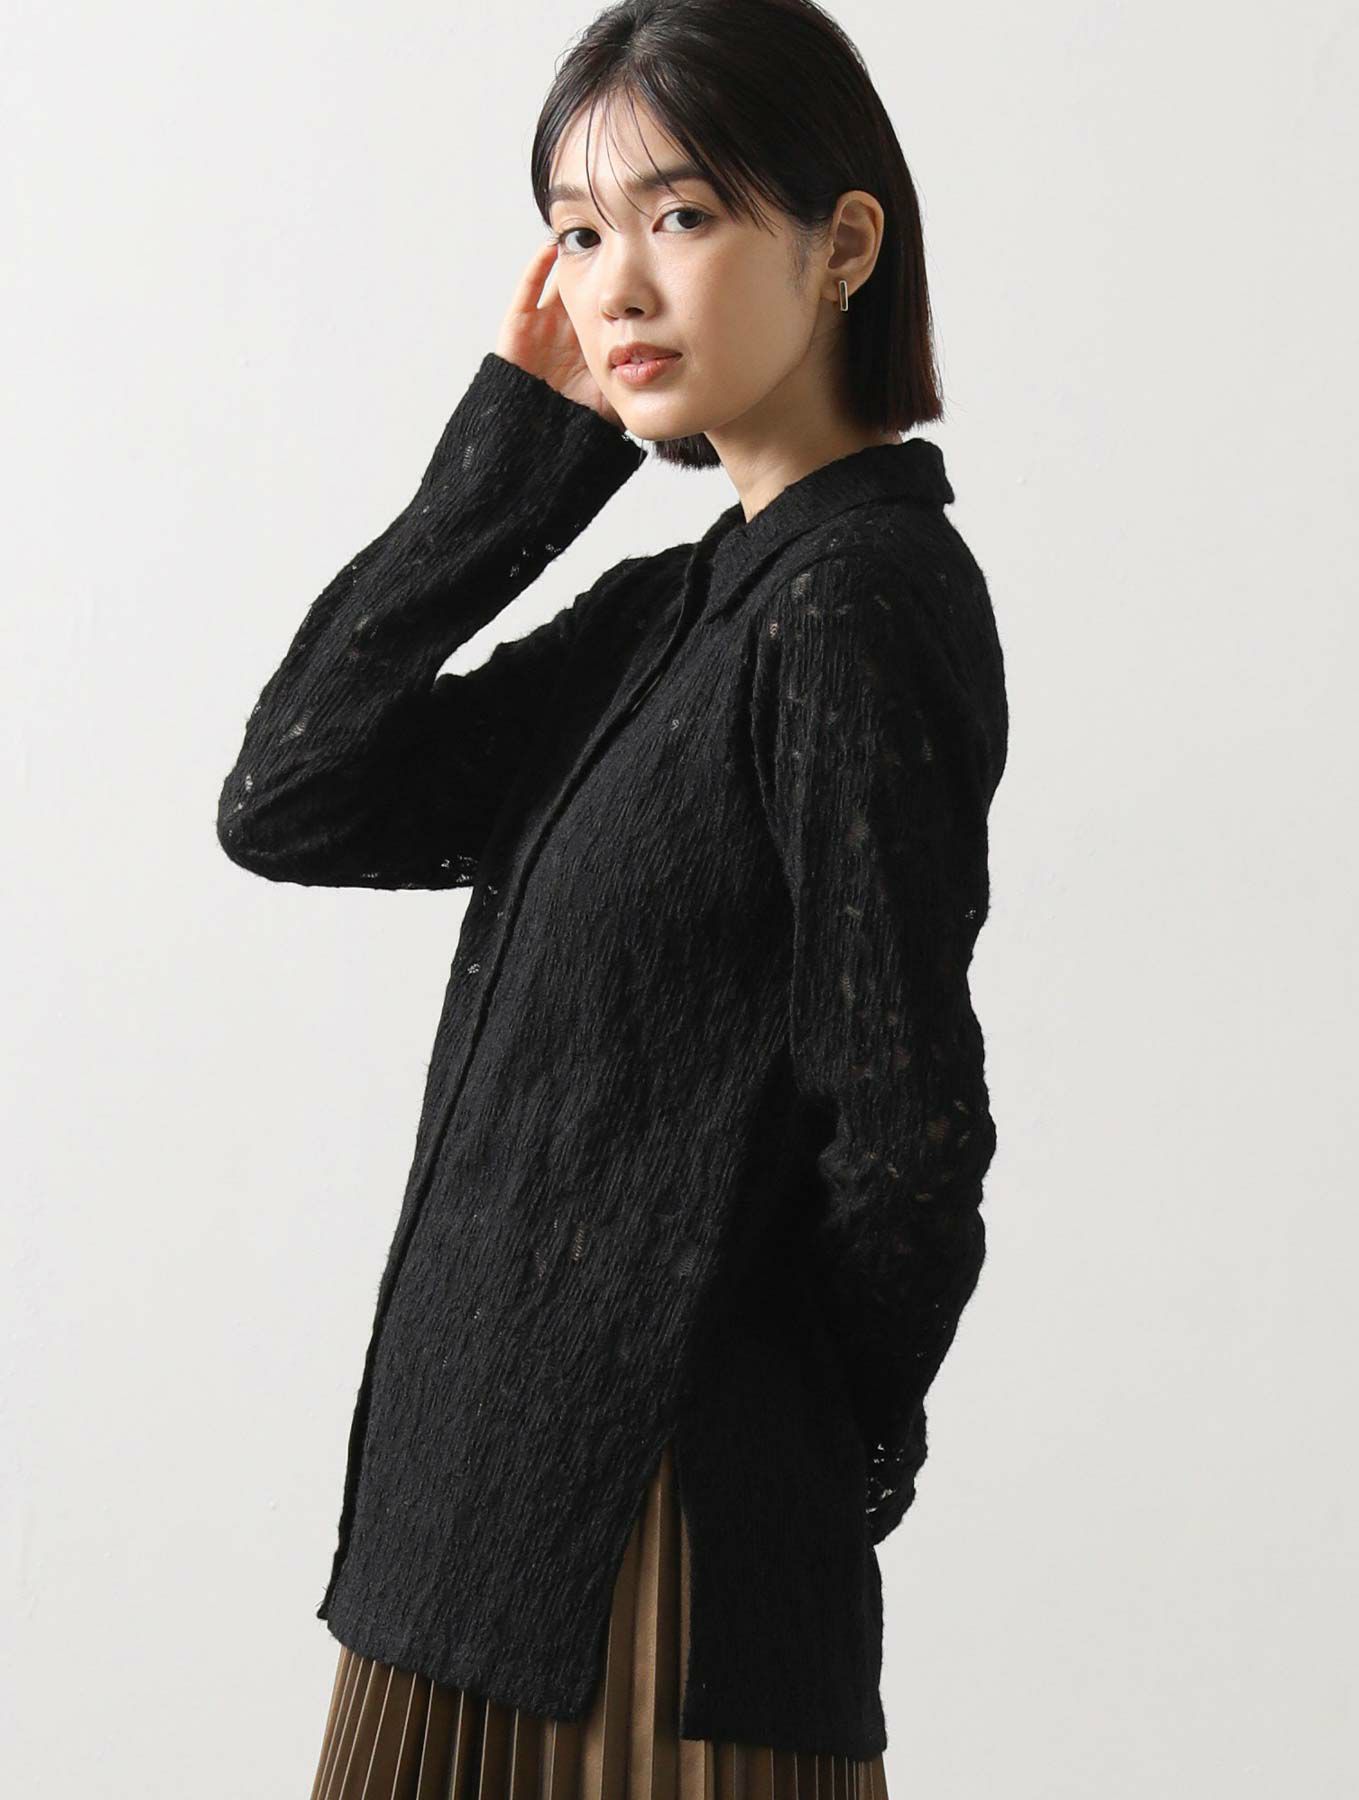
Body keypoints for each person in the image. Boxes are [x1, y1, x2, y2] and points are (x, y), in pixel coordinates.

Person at [217, 2, 1009, 1795]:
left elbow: (906, 1131)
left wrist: (813, 1437)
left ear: (845, 244)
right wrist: (520, 452)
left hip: (650, 1552)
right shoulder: (680, 610)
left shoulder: (854, 601)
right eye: (577, 233)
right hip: (472, 1532)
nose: (617, 286)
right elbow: (293, 797)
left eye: (682, 214)